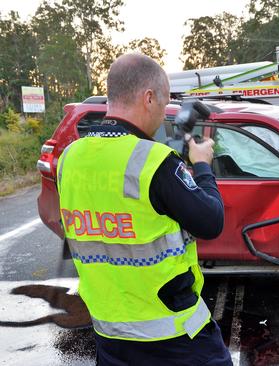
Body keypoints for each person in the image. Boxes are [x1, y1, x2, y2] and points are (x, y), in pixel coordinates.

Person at [56, 53, 232, 366]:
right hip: (172, 334)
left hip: (110, 331)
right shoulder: (153, 161)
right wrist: (202, 166)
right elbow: (211, 221)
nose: (163, 113)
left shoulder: (70, 157)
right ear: (148, 98)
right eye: (164, 104)